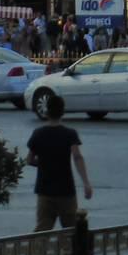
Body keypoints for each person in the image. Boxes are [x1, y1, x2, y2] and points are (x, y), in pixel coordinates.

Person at [27, 94, 93, 231]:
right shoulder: (69, 134)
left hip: (44, 190)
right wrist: (86, 183)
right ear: (62, 112)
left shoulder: (38, 133)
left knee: (42, 231)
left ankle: (39, 247)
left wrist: (44, 162)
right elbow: (77, 157)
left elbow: (30, 160)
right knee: (71, 231)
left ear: (47, 111)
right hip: (66, 190)